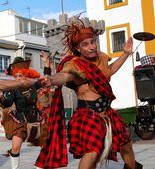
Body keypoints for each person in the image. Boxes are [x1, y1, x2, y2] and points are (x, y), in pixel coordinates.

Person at [35, 21, 143, 169]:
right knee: (92, 152)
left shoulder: (100, 59)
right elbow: (65, 76)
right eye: (85, 44)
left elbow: (109, 71)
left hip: (108, 112)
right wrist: (51, 79)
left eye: (92, 42)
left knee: (126, 145)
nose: (91, 46)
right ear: (78, 49)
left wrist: (125, 53)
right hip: (88, 115)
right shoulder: (76, 65)